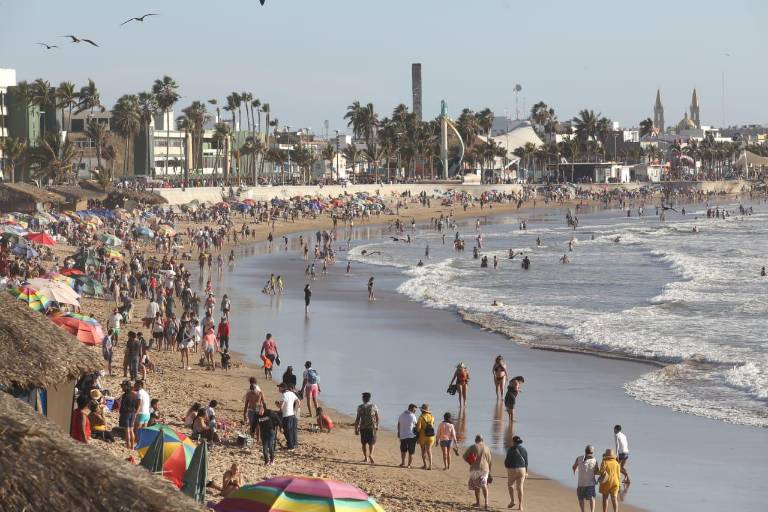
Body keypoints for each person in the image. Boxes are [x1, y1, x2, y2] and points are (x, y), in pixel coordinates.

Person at [463, 435, 493, 510]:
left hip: (475, 468)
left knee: (477, 486)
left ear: (476, 440)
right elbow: (490, 461)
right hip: (485, 469)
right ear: (482, 440)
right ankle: (486, 502)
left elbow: (464, 456)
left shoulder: (473, 447)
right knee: (484, 484)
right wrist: (490, 472)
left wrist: (470, 462)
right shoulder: (487, 448)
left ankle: (478, 502)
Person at [353, 392, 379, 464]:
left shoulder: (360, 407)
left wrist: (356, 429)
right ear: (369, 398)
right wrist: (377, 425)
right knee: (372, 443)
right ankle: (371, 455)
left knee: (363, 443)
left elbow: (358, 419)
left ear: (363, 398)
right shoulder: (374, 406)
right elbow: (377, 417)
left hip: (363, 428)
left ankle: (365, 458)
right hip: (371, 427)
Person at [573, 445, 599, 512]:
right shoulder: (595, 460)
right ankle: (592, 511)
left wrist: (575, 472)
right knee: (592, 497)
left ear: (585, 451)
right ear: (592, 452)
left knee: (581, 499)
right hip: (590, 483)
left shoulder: (579, 458)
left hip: (581, 483)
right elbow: (596, 472)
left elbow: (574, 467)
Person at [504, 435, 528, 510]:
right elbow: (526, 462)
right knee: (520, 487)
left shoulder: (510, 449)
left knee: (510, 485)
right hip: (522, 469)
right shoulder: (524, 449)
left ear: (513, 442)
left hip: (512, 469)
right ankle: (520, 506)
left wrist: (507, 467)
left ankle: (512, 501)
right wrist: (526, 472)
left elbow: (507, 461)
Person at [279, 383, 300, 449]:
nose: (279, 389)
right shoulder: (291, 393)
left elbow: (281, 407)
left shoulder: (284, 395)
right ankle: (294, 444)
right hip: (292, 414)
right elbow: (298, 402)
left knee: (287, 431)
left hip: (286, 415)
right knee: (292, 430)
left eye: (279, 387)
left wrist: (278, 405)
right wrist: (295, 410)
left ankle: (290, 445)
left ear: (283, 388)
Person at [397, 404, 418, 468]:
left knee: (403, 450)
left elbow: (399, 424)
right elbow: (416, 425)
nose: (415, 411)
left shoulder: (402, 415)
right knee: (411, 451)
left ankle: (403, 463)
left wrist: (399, 432)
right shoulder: (412, 416)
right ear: (411, 408)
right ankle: (409, 465)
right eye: (414, 409)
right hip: (411, 436)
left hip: (403, 435)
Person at [118, 380, 138, 449]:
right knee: (131, 430)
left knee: (127, 431)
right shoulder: (134, 395)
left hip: (126, 414)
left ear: (126, 386)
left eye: (123, 386)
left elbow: (122, 406)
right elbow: (136, 406)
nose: (122, 388)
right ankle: (132, 446)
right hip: (132, 413)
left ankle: (128, 446)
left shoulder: (125, 395)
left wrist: (120, 413)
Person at [415, 403, 436, 470]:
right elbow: (432, 425)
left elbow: (418, 428)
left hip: (423, 436)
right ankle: (430, 465)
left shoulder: (421, 417)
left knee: (423, 450)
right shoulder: (432, 417)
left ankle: (425, 465)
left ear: (422, 410)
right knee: (429, 450)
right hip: (431, 436)